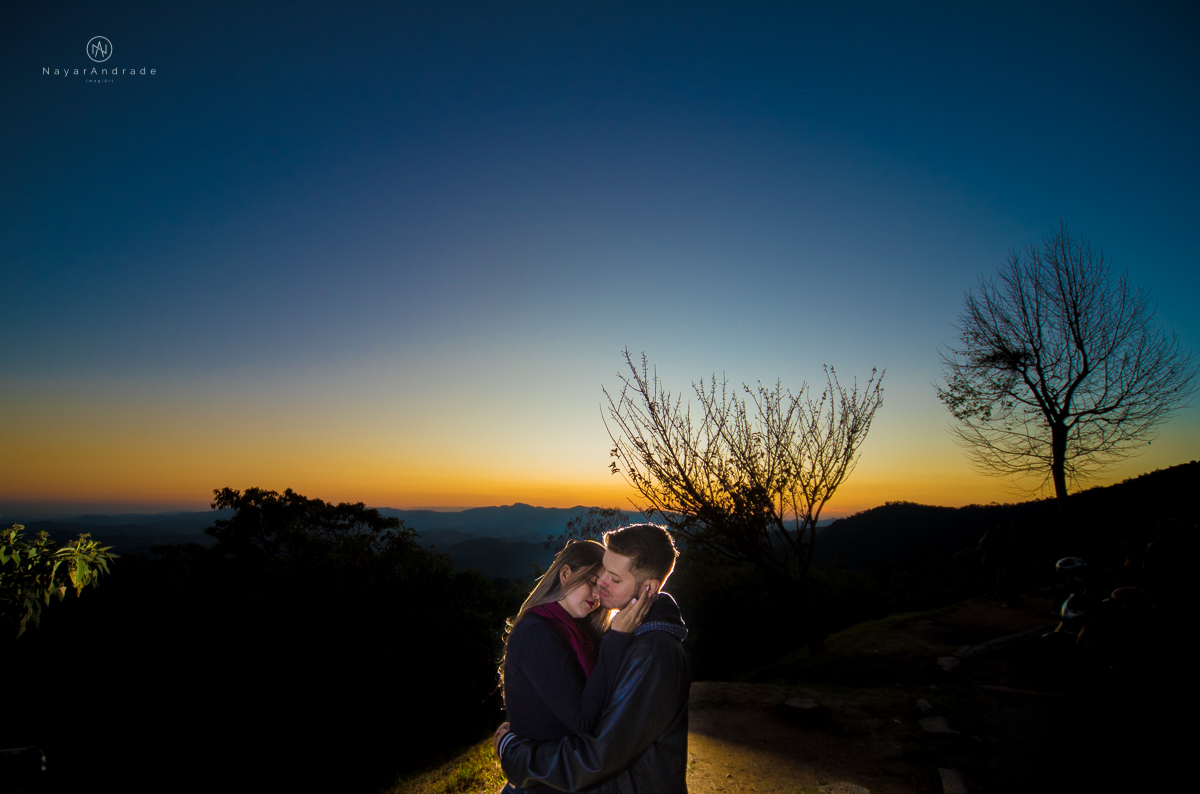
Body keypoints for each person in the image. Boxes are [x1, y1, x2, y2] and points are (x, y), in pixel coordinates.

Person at [496, 524, 689, 794]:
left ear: (649, 588)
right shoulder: (620, 634)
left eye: (614, 578)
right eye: (600, 575)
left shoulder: (652, 652)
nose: (602, 585)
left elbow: (596, 753)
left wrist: (516, 755)